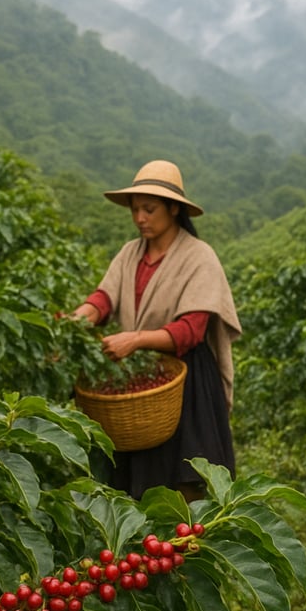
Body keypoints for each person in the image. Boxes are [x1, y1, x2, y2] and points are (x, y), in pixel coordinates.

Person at [72, 160, 241, 500]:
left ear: (174, 208)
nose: (140, 219)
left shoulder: (199, 257)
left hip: (188, 383)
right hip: (140, 381)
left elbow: (190, 330)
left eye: (149, 210)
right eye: (135, 210)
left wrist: (135, 340)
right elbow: (104, 297)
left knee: (185, 487)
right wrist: (80, 318)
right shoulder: (129, 253)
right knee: (134, 482)